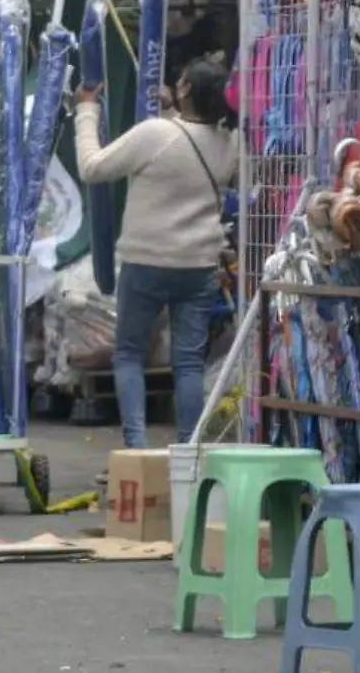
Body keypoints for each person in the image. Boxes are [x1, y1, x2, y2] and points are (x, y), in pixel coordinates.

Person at [73, 55, 240, 449]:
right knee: (187, 363)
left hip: (145, 262)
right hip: (198, 267)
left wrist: (86, 111)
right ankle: (188, 451)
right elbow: (186, 143)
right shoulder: (230, 141)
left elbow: (92, 168)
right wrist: (173, 109)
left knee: (129, 354)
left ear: (184, 90)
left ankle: (137, 448)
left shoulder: (153, 134)